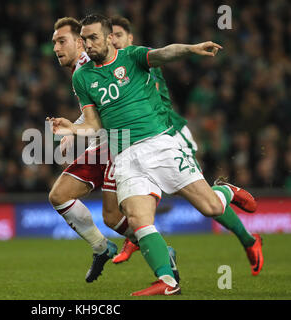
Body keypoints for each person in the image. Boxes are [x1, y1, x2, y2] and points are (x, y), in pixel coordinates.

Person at [49, 14, 263, 296]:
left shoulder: (134, 58)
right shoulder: (82, 77)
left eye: (92, 38)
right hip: (123, 153)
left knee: (210, 207)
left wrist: (191, 48)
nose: (87, 44)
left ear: (109, 38)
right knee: (136, 219)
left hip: (161, 142)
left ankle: (225, 192)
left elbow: (165, 53)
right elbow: (94, 122)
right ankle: (168, 281)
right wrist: (72, 129)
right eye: (84, 40)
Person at [109, 15, 263, 275]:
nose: (114, 41)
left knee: (207, 205)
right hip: (140, 142)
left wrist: (190, 49)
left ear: (131, 38)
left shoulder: (139, 61)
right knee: (140, 194)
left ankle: (247, 237)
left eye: (119, 35)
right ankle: (142, 239)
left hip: (171, 134)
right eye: (110, 36)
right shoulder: (108, 70)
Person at [49, 17, 180, 283]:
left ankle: (161, 256)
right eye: (54, 43)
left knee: (112, 216)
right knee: (59, 195)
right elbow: (97, 111)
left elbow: (112, 105)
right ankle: (101, 247)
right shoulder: (81, 73)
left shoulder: (91, 65)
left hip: (121, 145)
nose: (56, 48)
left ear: (79, 42)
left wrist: (75, 129)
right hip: (103, 143)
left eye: (62, 41)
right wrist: (74, 128)